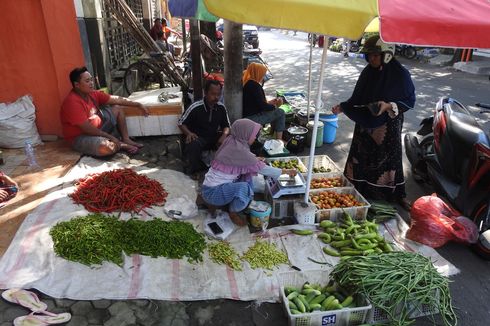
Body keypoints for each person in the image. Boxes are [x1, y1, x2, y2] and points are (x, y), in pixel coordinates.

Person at [331, 36, 415, 211]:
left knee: (389, 160)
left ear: (387, 55)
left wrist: (388, 106)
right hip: (366, 123)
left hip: (388, 126)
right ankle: (358, 190)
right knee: (361, 157)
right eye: (369, 55)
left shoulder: (400, 74)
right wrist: (343, 107)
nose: (371, 59)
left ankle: (397, 195)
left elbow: (409, 100)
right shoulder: (368, 72)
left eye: (376, 55)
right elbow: (358, 98)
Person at [201, 119, 296, 226]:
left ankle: (230, 203)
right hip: (213, 193)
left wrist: (254, 159)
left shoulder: (232, 141)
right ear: (244, 133)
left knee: (247, 175)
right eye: (253, 135)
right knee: (244, 188)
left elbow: (241, 159)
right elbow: (262, 169)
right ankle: (233, 212)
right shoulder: (239, 150)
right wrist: (286, 171)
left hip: (209, 187)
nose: (255, 138)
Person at [60, 67, 149, 157]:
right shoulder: (72, 102)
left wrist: (137, 104)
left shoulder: (92, 93)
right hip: (81, 137)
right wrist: (110, 137)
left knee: (117, 108)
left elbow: (116, 100)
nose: (91, 83)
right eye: (87, 81)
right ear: (77, 85)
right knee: (106, 148)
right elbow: (87, 129)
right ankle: (120, 144)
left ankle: (125, 139)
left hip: (98, 129)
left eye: (91, 80)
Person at [178, 80, 230, 179]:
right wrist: (188, 133)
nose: (216, 97)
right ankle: (198, 170)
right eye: (213, 94)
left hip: (213, 137)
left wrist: (224, 136)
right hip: (198, 138)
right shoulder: (195, 107)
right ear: (205, 93)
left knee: (231, 139)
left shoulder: (221, 107)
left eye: (218, 94)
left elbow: (227, 126)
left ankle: (225, 167)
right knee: (192, 144)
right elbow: (181, 123)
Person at [242, 63, 285, 141]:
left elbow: (257, 103)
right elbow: (263, 107)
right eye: (262, 74)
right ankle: (279, 141)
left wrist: (269, 103)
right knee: (280, 112)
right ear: (257, 73)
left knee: (275, 111)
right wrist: (276, 105)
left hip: (249, 114)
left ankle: (272, 134)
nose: (263, 77)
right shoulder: (255, 86)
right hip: (252, 118)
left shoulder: (248, 83)